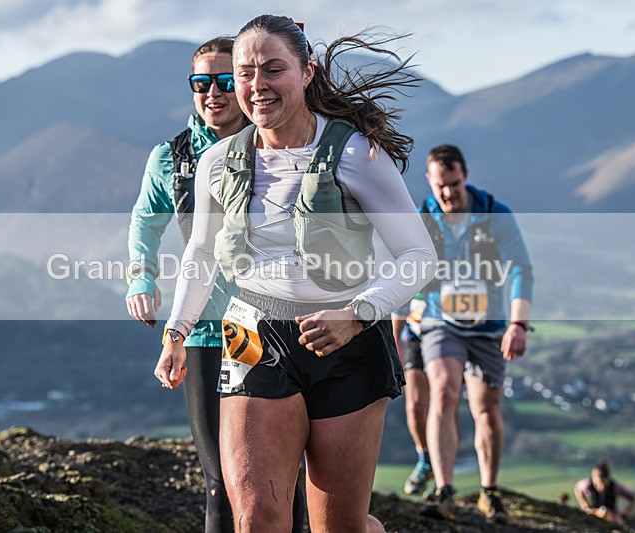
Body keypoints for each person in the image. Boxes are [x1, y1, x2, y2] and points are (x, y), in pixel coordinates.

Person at [155, 14, 436, 532]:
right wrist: (177, 331)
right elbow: (201, 254)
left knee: (340, 528)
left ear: (306, 72)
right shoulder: (219, 162)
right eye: (244, 72)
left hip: (347, 346)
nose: (256, 85)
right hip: (252, 337)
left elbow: (419, 256)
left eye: (272, 69)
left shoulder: (356, 154)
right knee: (258, 518)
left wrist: (358, 315)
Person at [125, 37, 252, 533]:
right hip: (202, 332)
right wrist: (141, 275)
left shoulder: (273, 143)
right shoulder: (170, 156)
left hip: (269, 328)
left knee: (274, 475)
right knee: (220, 481)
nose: (213, 93)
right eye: (201, 83)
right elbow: (144, 220)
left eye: (225, 81)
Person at [417, 144, 534, 524]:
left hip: (489, 326)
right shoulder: (424, 217)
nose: (447, 193)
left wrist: (517, 324)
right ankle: (444, 489)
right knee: (445, 389)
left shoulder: (496, 215)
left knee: (486, 410)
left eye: (453, 183)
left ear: (464, 175)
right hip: (440, 321)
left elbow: (520, 269)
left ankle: (489, 490)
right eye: (440, 186)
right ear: (430, 182)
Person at [391, 296, 434, 496]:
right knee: (415, 405)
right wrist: (396, 342)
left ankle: (444, 479)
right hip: (416, 337)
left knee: (442, 406)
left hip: (449, 336)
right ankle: (425, 459)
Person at [574, 460, 635, 526]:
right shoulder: (588, 484)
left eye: (604, 484)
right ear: (593, 479)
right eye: (597, 484)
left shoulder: (615, 487)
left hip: (612, 518)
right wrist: (585, 506)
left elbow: (633, 497)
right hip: (593, 514)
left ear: (608, 479)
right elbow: (577, 488)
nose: (601, 487)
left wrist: (625, 515)